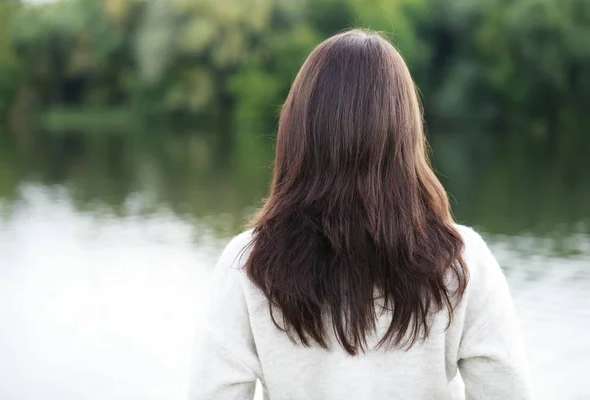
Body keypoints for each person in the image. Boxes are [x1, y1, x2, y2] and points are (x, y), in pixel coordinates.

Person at [188, 29, 532, 400]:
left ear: (297, 131)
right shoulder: (464, 261)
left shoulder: (248, 263)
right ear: (406, 135)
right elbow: (506, 390)